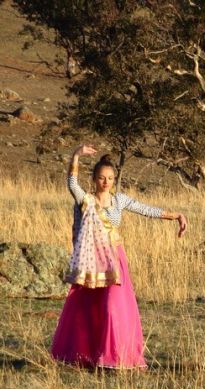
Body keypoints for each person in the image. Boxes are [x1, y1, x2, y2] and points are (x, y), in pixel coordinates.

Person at [51, 144, 187, 369]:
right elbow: (72, 183)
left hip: (115, 260)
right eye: (102, 178)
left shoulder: (119, 200)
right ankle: (87, 355)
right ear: (94, 179)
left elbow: (145, 209)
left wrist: (175, 216)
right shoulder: (85, 200)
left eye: (111, 178)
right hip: (92, 262)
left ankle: (115, 357)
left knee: (113, 307)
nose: (106, 182)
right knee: (89, 308)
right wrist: (75, 155)